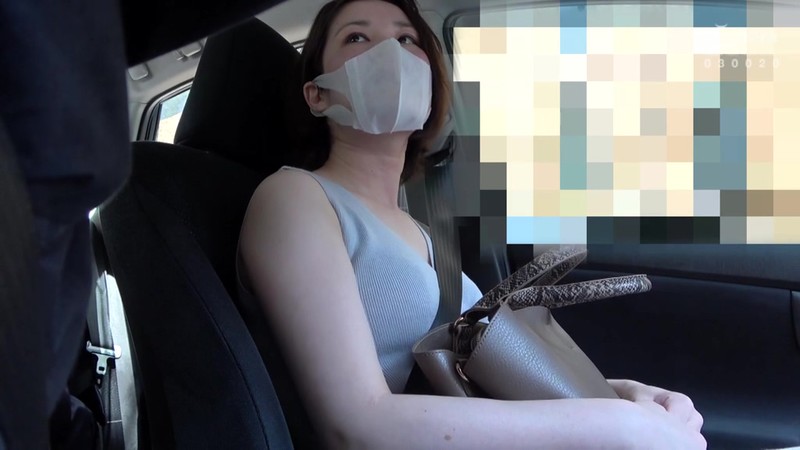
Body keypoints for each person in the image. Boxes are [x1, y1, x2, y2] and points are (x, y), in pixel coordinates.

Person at [238, 0, 706, 448]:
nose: (390, 51)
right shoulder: (294, 198)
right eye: (357, 36)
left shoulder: (419, 230)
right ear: (317, 95)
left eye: (407, 39)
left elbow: (478, 373)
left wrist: (626, 397)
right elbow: (355, 426)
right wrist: (620, 425)